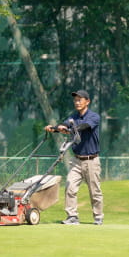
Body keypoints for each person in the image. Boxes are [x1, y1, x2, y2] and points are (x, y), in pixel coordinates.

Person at [45, 90, 104, 225]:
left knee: (95, 191)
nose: (77, 102)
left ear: (87, 101)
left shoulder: (94, 117)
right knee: (70, 186)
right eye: (75, 100)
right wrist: (54, 128)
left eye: (80, 99)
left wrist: (71, 129)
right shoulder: (74, 117)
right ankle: (72, 216)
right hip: (77, 160)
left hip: (91, 160)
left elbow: (83, 127)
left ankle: (98, 217)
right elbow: (65, 125)